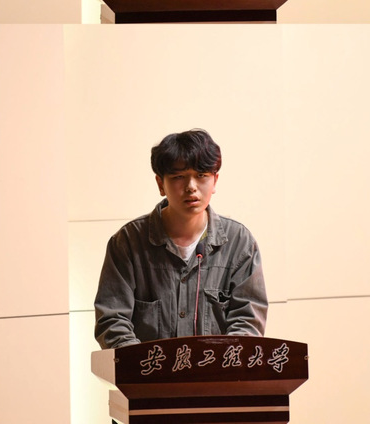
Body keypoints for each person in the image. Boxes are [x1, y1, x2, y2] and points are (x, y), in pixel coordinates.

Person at [94, 130, 267, 349]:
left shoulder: (239, 243)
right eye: (178, 177)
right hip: (149, 370)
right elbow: (112, 321)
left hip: (216, 371)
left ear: (215, 181)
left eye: (201, 175)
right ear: (160, 184)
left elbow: (247, 323)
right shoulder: (128, 243)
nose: (191, 186)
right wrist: (147, 365)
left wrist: (214, 365)